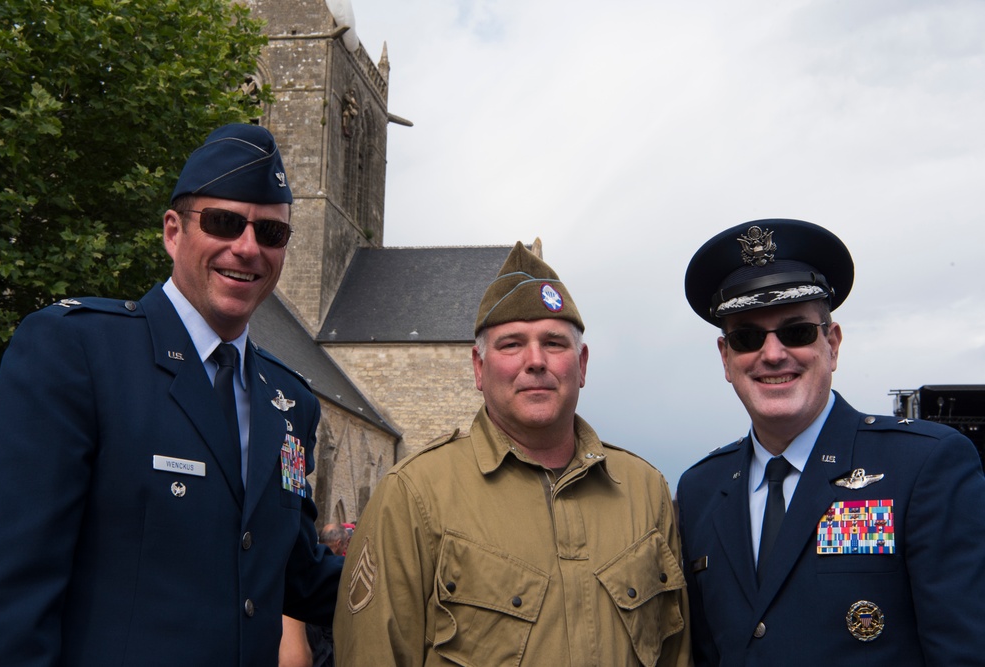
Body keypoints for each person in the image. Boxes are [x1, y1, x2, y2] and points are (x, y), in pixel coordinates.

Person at [0, 124, 342, 667]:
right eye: (224, 223)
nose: (247, 248)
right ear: (173, 232)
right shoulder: (77, 351)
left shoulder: (291, 403)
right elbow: (8, 591)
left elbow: (294, 572)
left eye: (271, 234)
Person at [334, 242, 692, 666]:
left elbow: (676, 654)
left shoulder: (645, 491)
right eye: (511, 344)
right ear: (479, 368)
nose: (535, 361)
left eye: (554, 343)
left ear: (582, 364)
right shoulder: (413, 496)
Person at [677, 219, 985, 666]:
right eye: (747, 338)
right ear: (726, 359)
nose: (773, 353)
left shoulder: (922, 465)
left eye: (796, 331)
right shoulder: (701, 490)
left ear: (833, 344)